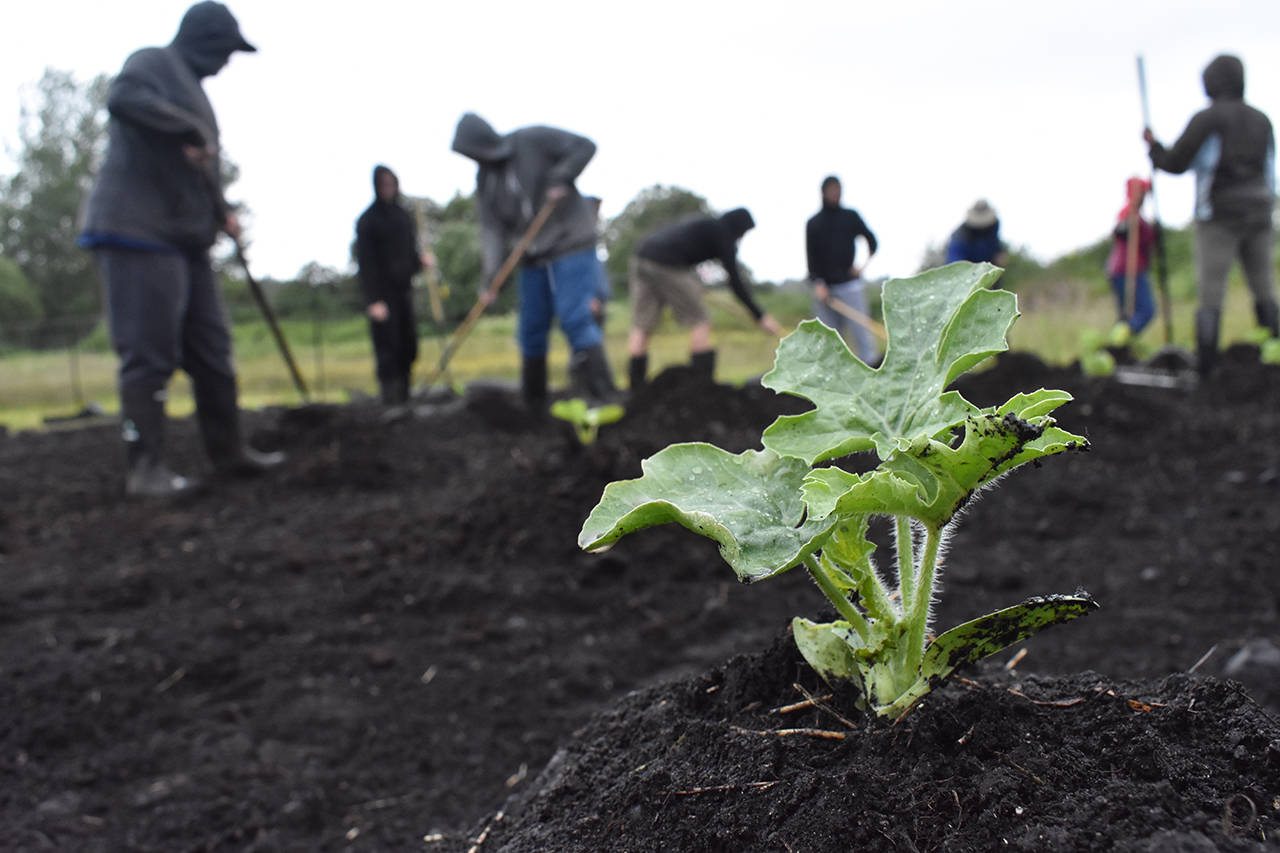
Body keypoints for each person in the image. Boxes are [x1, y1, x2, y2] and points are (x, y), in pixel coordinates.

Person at [79, 1, 282, 498]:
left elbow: (196, 169)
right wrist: (182, 127)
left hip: (185, 240)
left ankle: (229, 453)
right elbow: (122, 97)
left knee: (212, 350)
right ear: (204, 40)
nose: (227, 62)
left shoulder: (195, 91)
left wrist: (223, 213)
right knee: (149, 355)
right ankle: (145, 467)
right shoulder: (152, 63)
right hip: (138, 231)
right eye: (226, 50)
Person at [451, 112, 617, 408]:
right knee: (530, 328)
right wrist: (490, 280)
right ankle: (534, 407)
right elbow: (491, 232)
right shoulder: (485, 179)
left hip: (570, 242)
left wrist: (561, 177)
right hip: (531, 255)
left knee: (575, 316)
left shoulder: (531, 140)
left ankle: (604, 397)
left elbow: (584, 146)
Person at [1144, 53, 1278, 376]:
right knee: (1265, 288)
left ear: (1211, 83)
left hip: (1219, 216)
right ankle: (1275, 357)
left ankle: (1206, 371)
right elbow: (1271, 170)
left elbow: (1176, 162)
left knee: (1211, 292)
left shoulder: (1207, 119)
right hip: (1261, 211)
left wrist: (1154, 149)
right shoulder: (1262, 120)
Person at [627, 208, 782, 388]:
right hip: (667, 264)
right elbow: (736, 282)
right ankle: (702, 388)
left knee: (642, 325)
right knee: (700, 320)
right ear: (739, 228)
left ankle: (635, 390)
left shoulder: (707, 224)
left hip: (641, 257)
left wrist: (691, 284)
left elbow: (683, 248)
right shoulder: (723, 235)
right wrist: (760, 316)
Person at [355, 165, 432, 405]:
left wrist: (420, 262)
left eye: (392, 183)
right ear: (376, 186)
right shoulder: (367, 221)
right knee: (387, 347)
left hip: (403, 291)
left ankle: (406, 398)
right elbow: (366, 264)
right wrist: (373, 300)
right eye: (384, 184)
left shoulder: (402, 216)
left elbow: (409, 253)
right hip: (382, 295)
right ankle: (390, 401)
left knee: (407, 345)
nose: (388, 188)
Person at [806, 175, 879, 364]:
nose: (834, 193)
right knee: (830, 341)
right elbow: (811, 258)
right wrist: (818, 283)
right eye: (831, 189)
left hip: (850, 286)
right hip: (826, 290)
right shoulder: (814, 223)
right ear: (823, 192)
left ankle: (871, 373)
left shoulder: (850, 216)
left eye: (837, 189)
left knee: (862, 336)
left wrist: (862, 266)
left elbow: (872, 241)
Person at [1104, 178, 1157, 342]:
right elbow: (1120, 231)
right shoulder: (1129, 215)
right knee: (1145, 311)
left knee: (1127, 315)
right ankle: (1118, 342)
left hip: (1122, 269)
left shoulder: (1136, 216)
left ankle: (1121, 345)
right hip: (1127, 269)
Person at [945, 199, 1008, 266]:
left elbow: (995, 245)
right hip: (968, 272)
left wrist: (1000, 253)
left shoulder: (992, 228)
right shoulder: (960, 236)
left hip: (988, 269)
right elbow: (955, 263)